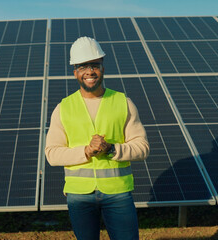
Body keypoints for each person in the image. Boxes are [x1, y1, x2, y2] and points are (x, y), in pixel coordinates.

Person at [45, 36, 150, 240]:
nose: (90, 71)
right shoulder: (63, 108)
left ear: (103, 67)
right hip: (79, 196)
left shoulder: (123, 102)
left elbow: (142, 147)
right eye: (83, 66)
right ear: (75, 72)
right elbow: (52, 154)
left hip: (118, 193)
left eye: (95, 65)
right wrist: (86, 151)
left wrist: (112, 149)